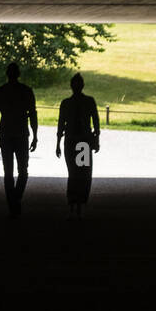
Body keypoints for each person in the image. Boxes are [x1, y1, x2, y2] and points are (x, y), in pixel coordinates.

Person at [0, 62, 38, 217]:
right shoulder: (26, 91)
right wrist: (35, 136)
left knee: (8, 171)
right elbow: (33, 115)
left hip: (5, 134)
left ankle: (12, 202)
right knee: (23, 171)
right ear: (18, 74)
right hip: (22, 134)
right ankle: (16, 198)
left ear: (7, 74)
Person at [56, 73, 100, 218]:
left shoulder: (66, 103)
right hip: (84, 141)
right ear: (82, 86)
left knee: (73, 172)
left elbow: (61, 125)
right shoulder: (89, 101)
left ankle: (73, 200)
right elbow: (96, 121)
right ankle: (80, 201)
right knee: (84, 173)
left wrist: (57, 144)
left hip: (70, 141)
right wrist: (96, 139)